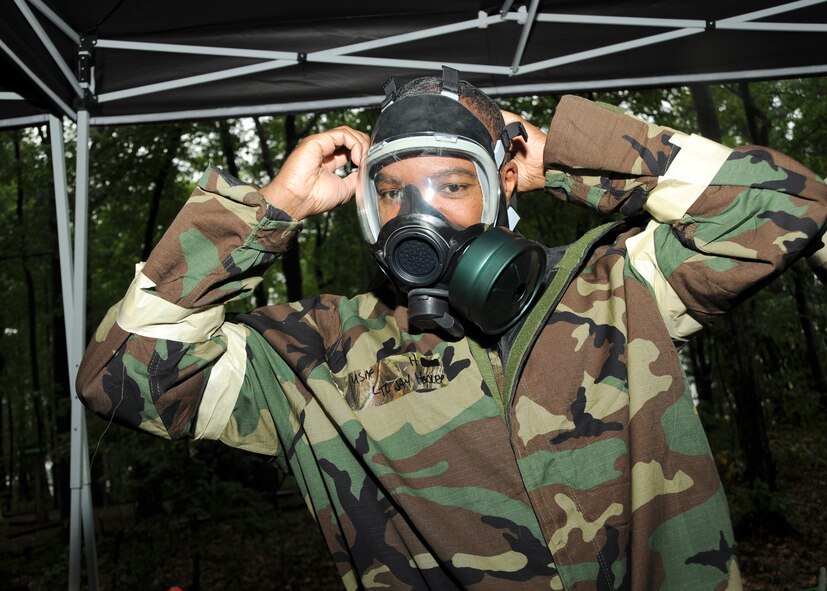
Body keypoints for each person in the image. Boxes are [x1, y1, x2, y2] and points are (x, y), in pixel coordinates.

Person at [77, 69, 827, 590]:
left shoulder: (612, 287)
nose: (419, 215)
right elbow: (126, 375)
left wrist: (567, 158)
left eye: (451, 184)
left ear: (503, 185)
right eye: (394, 192)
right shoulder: (314, 358)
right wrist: (263, 212)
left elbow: (788, 207)